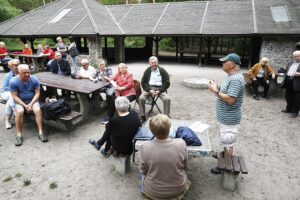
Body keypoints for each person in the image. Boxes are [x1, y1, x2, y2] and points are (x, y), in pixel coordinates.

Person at [208, 53, 245, 174]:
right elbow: (228, 92)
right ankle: (224, 155)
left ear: (232, 64)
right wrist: (216, 87)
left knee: (228, 140)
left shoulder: (235, 79)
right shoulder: (232, 76)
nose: (222, 63)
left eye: (225, 62)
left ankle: (226, 166)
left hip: (229, 118)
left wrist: (215, 91)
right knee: (226, 139)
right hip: (226, 116)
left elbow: (230, 99)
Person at [139, 114, 190, 199]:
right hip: (178, 188)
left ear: (151, 131)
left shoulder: (145, 147)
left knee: (141, 177)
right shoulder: (181, 143)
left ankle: (144, 190)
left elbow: (142, 170)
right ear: (169, 129)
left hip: (152, 191)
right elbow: (185, 166)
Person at [9, 64, 48, 146]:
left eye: (28, 72)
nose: (27, 74)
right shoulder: (13, 81)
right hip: (20, 101)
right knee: (19, 111)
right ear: (19, 72)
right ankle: (19, 135)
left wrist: (31, 104)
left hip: (32, 101)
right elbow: (14, 96)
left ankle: (41, 133)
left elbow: (37, 93)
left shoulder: (34, 79)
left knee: (37, 110)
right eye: (24, 73)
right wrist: (24, 105)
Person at [138, 56, 171, 123]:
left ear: (157, 62)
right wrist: (149, 90)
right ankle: (142, 116)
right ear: (149, 63)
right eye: (152, 63)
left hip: (160, 89)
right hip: (150, 88)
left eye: (155, 62)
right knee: (141, 98)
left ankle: (166, 117)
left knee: (167, 99)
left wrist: (159, 91)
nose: (154, 64)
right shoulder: (147, 70)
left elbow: (167, 83)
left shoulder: (162, 70)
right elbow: (143, 82)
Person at [0, 59, 20, 129]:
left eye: (18, 65)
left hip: (14, 95)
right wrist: (15, 91)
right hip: (5, 93)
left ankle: (7, 120)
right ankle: (15, 111)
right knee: (12, 96)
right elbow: (5, 87)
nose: (17, 67)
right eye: (15, 65)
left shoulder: (22, 73)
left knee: (11, 98)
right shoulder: (8, 76)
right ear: (11, 67)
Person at [281, 50, 300, 118]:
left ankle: (295, 112)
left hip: (297, 84)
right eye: (294, 56)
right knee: (288, 96)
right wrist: (283, 71)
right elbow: (287, 70)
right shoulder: (290, 63)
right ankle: (288, 109)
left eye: (297, 56)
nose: (295, 58)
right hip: (288, 82)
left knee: (297, 99)